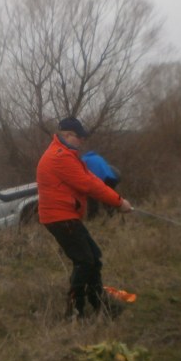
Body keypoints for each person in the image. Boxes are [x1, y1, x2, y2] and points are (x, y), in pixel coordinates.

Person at [36, 117, 133, 319]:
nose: (81, 141)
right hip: (60, 217)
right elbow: (88, 185)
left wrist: (116, 199)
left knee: (93, 258)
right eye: (79, 137)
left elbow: (89, 178)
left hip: (65, 216)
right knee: (84, 261)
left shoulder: (66, 154)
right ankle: (75, 311)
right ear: (67, 135)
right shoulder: (60, 156)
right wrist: (118, 202)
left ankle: (99, 304)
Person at [81, 149, 121, 219]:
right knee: (109, 197)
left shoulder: (83, 160)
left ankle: (92, 217)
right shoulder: (99, 158)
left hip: (98, 179)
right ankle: (112, 215)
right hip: (111, 178)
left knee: (92, 198)